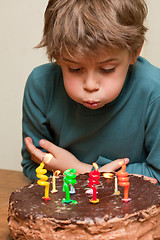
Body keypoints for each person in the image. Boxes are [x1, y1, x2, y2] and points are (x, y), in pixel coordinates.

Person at [22, 0, 160, 184]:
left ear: (135, 52)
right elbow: (33, 165)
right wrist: (102, 176)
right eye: (75, 69)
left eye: (108, 68)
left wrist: (81, 170)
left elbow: (157, 174)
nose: (90, 85)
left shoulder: (154, 90)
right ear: (57, 56)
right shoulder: (41, 85)